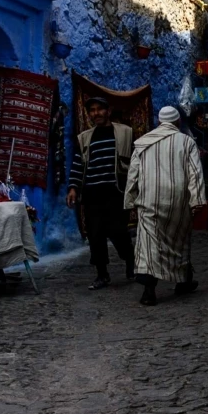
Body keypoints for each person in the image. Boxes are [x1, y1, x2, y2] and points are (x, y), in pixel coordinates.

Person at [124, 105, 208, 305]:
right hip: (178, 201)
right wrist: (197, 200)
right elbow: (195, 173)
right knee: (180, 241)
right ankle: (183, 281)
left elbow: (133, 174)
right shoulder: (187, 142)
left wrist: (129, 200)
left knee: (148, 245)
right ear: (178, 122)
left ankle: (149, 291)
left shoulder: (142, 143)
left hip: (149, 200)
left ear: (160, 122)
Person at [69, 97, 135, 289]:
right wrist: (73, 188)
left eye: (99, 109)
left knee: (118, 231)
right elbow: (77, 165)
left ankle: (130, 260)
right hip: (92, 194)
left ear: (108, 111)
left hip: (115, 192)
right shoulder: (84, 138)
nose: (95, 113)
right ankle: (102, 274)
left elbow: (136, 160)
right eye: (92, 110)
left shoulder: (125, 132)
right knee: (95, 235)